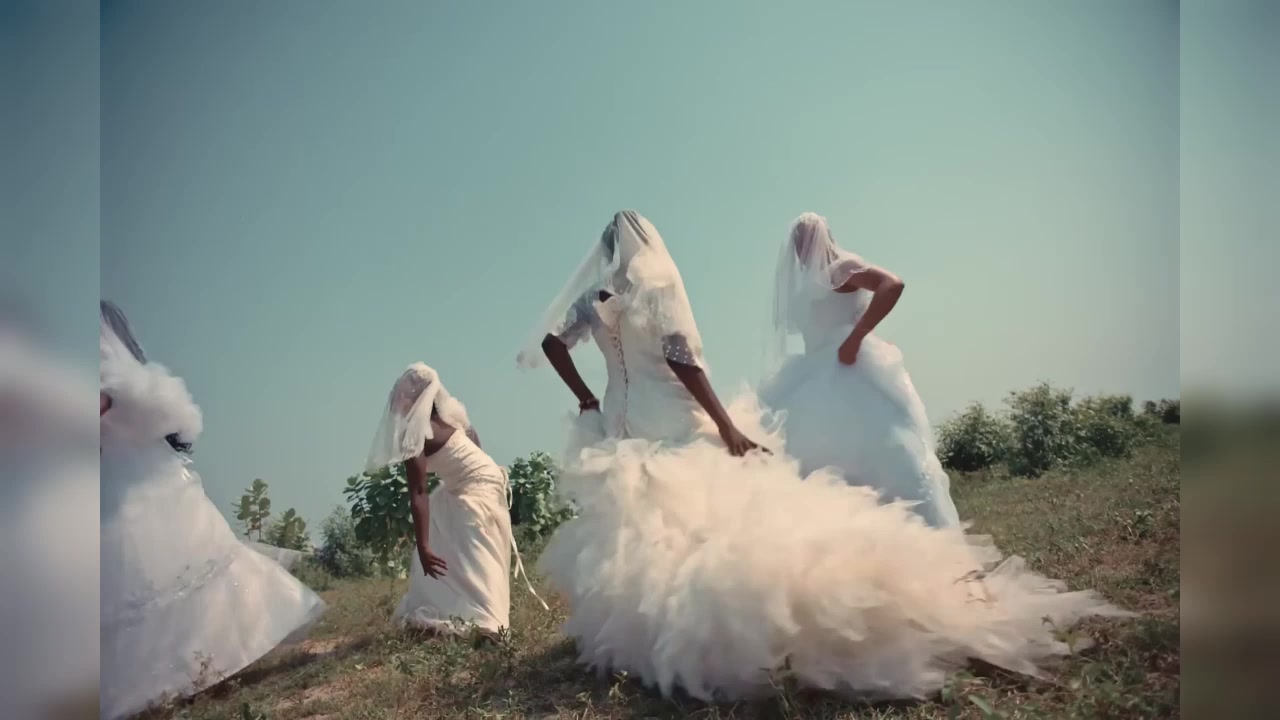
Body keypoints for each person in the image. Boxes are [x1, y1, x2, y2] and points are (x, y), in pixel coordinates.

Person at [517, 210, 1131, 702]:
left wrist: (587, 397)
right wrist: (726, 425)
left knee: (642, 525)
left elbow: (551, 342)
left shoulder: (595, 297)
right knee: (704, 519)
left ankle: (651, 636)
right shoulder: (655, 287)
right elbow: (682, 360)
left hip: (622, 419)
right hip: (673, 415)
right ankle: (709, 628)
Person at [99, 301, 325, 720]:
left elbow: (102, 402)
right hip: (116, 466)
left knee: (156, 562)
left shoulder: (104, 362)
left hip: (126, 468)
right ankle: (175, 673)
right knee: (138, 570)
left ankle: (192, 665)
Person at [759, 211, 960, 529]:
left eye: (808, 239)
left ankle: (918, 531)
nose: (802, 247)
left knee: (882, 450)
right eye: (798, 242)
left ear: (825, 238)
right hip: (812, 375)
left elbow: (891, 285)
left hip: (850, 368)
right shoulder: (803, 289)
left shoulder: (840, 269)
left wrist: (856, 338)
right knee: (811, 456)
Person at [365, 362, 544, 637]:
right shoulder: (451, 418)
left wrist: (424, 547)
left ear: (417, 398)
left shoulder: (415, 433)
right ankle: (477, 617)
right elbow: (476, 448)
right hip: (488, 480)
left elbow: (419, 492)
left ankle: (488, 625)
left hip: (478, 490)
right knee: (457, 532)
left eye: (403, 394)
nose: (396, 400)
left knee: (475, 554)